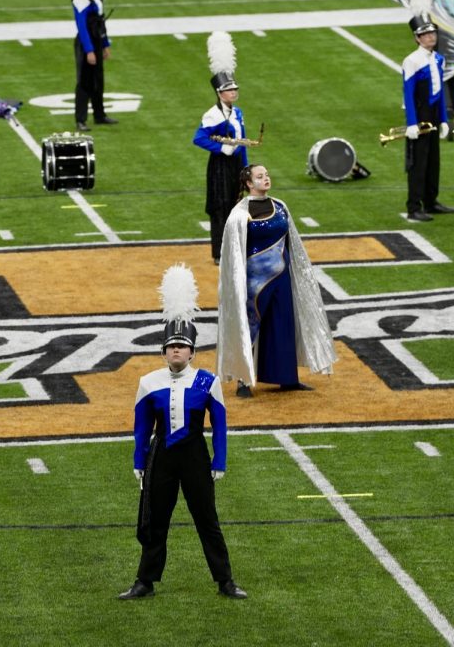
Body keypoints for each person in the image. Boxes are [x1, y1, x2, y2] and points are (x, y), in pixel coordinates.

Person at [119, 264, 246, 601]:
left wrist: (219, 460)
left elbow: (219, 424)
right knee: (155, 521)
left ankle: (225, 581)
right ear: (163, 352)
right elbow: (142, 427)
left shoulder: (208, 381)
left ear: (192, 351)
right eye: (170, 346)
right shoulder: (148, 382)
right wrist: (139, 460)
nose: (176, 350)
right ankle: (145, 580)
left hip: (194, 456)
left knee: (207, 519)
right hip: (161, 457)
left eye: (181, 346)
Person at [217, 165, 337, 398]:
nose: (266, 179)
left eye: (267, 175)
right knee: (250, 326)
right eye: (260, 177)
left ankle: (287, 378)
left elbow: (293, 244)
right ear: (249, 184)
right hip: (254, 282)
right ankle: (243, 380)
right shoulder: (239, 214)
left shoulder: (280, 206)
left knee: (283, 325)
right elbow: (233, 255)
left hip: (282, 278)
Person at [400, 0, 454, 221]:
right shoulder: (412, 61)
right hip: (420, 114)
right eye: (426, 34)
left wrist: (443, 119)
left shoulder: (438, 59)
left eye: (433, 33)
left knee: (434, 160)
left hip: (433, 113)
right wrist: (411, 123)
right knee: (418, 163)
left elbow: (440, 92)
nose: (431, 37)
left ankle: (431, 201)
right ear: (417, 38)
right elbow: (408, 94)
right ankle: (414, 206)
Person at [193, 32, 248, 266]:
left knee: (236, 205)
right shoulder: (212, 114)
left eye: (235, 89)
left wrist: (245, 168)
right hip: (219, 167)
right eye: (229, 90)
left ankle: (236, 248)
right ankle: (218, 252)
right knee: (219, 208)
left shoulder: (237, 113)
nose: (233, 92)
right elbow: (198, 138)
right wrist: (220, 149)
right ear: (219, 92)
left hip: (235, 164)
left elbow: (242, 140)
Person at [70, 0, 116, 133]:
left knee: (99, 79)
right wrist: (89, 50)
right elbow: (82, 25)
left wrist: (105, 44)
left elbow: (100, 21)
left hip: (96, 40)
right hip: (86, 42)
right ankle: (81, 119)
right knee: (85, 82)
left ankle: (99, 114)